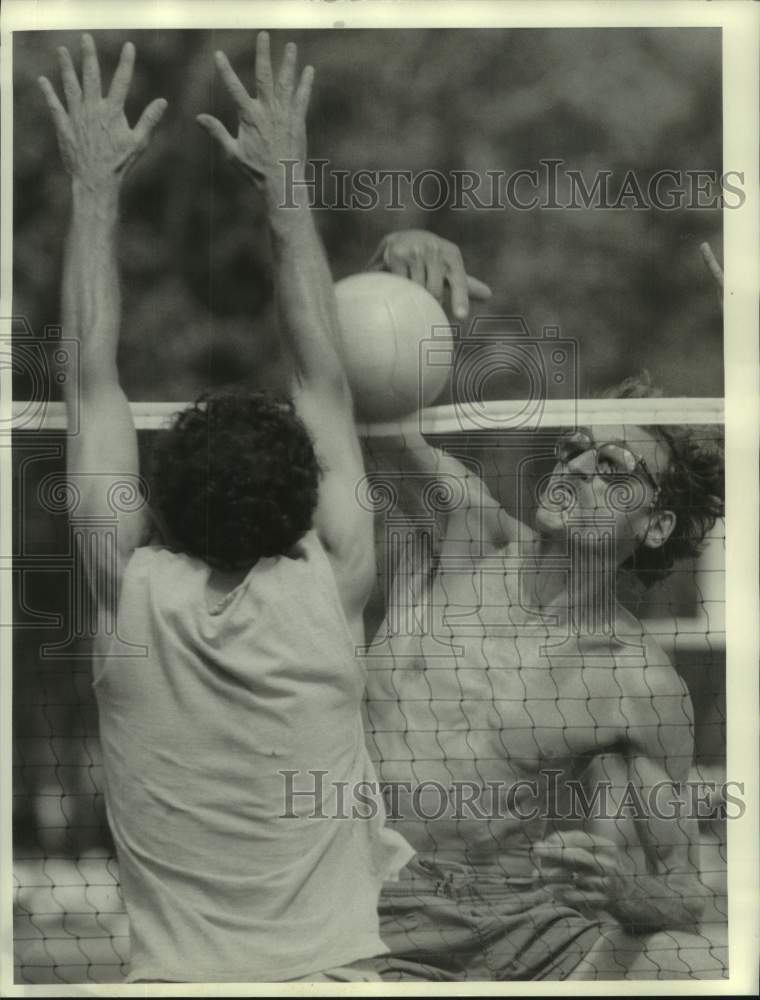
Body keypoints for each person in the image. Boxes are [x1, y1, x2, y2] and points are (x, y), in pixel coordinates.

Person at [39, 32, 412, 983]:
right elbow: (323, 380)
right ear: (302, 511)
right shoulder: (332, 588)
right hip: (338, 977)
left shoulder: (126, 590)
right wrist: (285, 187)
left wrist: (92, 189)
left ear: (156, 498)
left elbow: (92, 381)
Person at [362, 231, 726, 980]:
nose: (581, 463)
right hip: (369, 928)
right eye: (576, 446)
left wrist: (631, 895)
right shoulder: (464, 530)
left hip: (531, 947)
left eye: (614, 464)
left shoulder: (641, 684)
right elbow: (373, 419)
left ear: (654, 525)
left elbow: (686, 891)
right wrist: (391, 291)